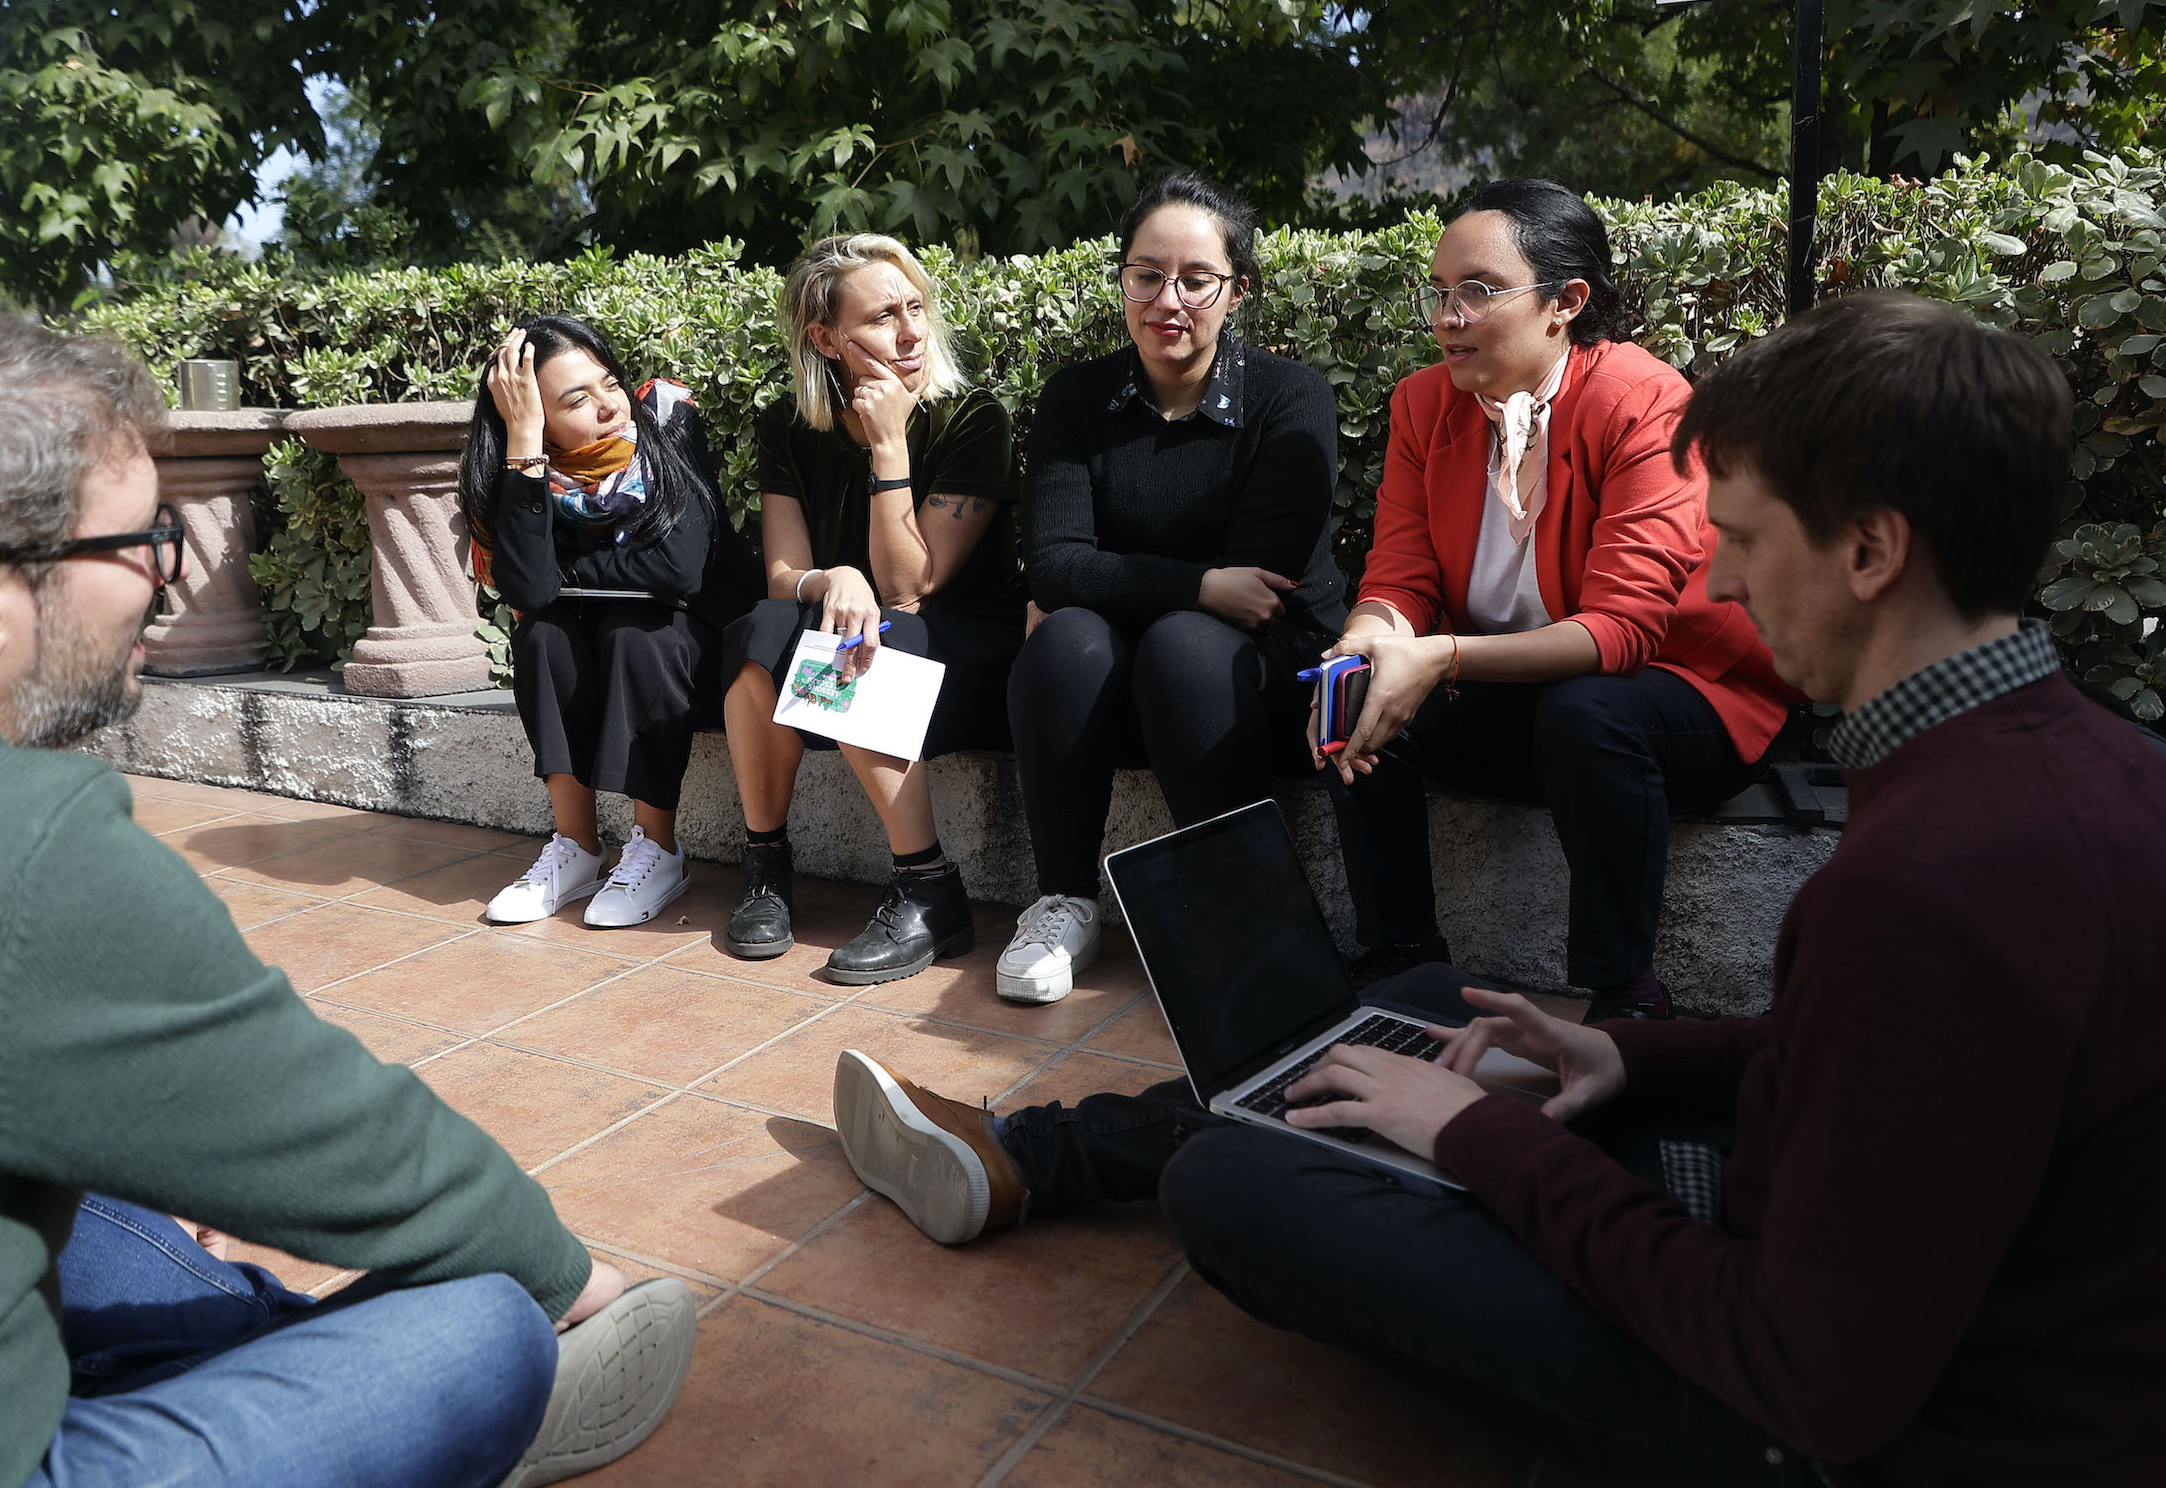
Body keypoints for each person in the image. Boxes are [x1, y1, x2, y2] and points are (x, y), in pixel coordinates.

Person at [834, 289, 2166, 1483]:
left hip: (1832, 1428)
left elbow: (1806, 1371)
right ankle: (1047, 1156)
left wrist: (1478, 1137)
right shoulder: (2088, 763)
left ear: (1870, 551)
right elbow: (1876, 1066)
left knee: (1237, 1191)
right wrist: (1626, 1055)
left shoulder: (1938, 883)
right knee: (1422, 1008)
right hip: (1829, 1259)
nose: (1721, 577)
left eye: (1746, 538)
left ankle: (1063, 1158)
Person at [0, 303, 693, 1487]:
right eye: (141, 541)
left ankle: (257, 1353)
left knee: (98, 1207)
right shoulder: (9, 845)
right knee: (483, 1319)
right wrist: (568, 1277)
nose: (166, 580)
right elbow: (345, 1145)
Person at [1320, 178, 1797, 1020]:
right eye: (1439, 292)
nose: (1448, 317)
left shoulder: (1641, 400)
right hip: (1523, 694)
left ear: (1565, 302)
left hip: (1687, 694)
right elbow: (1399, 577)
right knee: (1355, 693)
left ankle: (1625, 994)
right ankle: (1404, 959)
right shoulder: (1423, 405)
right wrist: (1365, 643)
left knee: (1586, 711)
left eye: (1478, 290)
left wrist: (1439, 655)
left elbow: (1624, 631)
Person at [1000, 173, 1349, 1004]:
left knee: (1183, 646)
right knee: (1065, 640)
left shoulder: (1288, 398)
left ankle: (1237, 913)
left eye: (1197, 279)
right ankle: (1064, 902)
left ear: (1238, 290)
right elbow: (1051, 563)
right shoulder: (1077, 399)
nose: (1168, 300)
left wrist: (1119, 582)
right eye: (1147, 275)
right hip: (1125, 659)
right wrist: (1198, 582)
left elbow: (1261, 587)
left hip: (1264, 667)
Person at [720, 232, 1022, 982]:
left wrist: (891, 449)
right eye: (884, 316)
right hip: (849, 638)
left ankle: (928, 884)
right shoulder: (790, 426)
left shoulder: (972, 418)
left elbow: (910, 589)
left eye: (915, 307)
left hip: (958, 658)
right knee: (761, 629)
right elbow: (784, 576)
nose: (911, 331)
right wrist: (833, 577)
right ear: (827, 339)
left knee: (870, 636)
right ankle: (766, 866)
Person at [461, 314, 754, 928]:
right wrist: (525, 446)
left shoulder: (667, 420)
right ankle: (577, 847)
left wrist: (567, 570)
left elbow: (678, 569)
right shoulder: (518, 468)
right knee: (542, 634)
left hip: (693, 649)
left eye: (610, 383)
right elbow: (531, 589)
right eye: (576, 400)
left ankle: (657, 849)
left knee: (633, 628)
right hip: (595, 658)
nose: (609, 407)